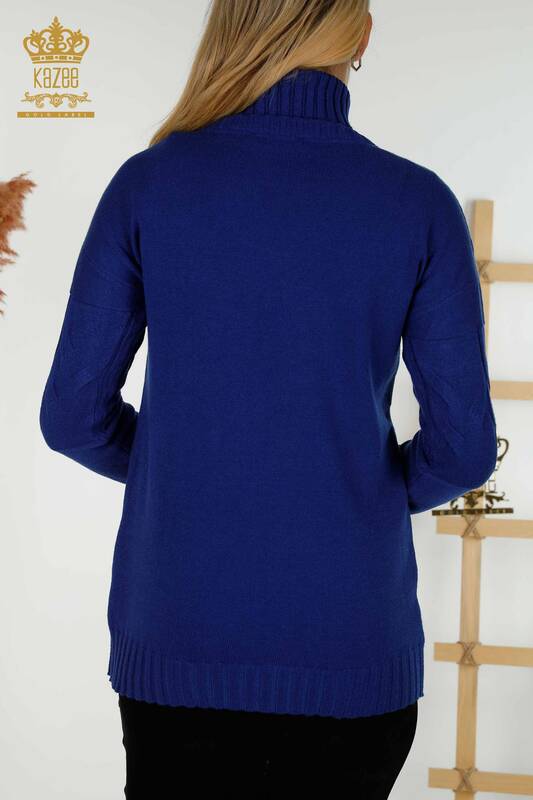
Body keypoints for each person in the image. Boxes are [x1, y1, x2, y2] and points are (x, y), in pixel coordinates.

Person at [39, 1, 498, 797]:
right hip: (353, 661)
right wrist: (358, 490)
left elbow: (72, 418)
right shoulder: (416, 203)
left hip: (177, 650)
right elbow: (461, 452)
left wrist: (181, 467)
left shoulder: (149, 185)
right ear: (359, 36)